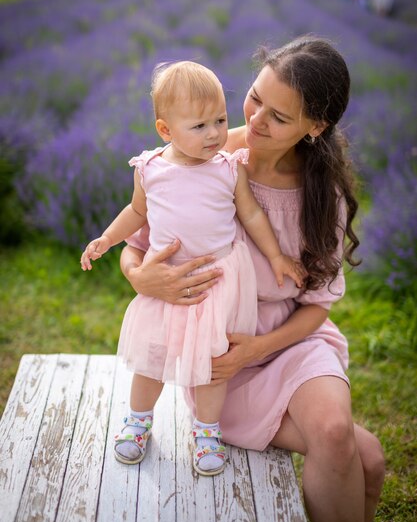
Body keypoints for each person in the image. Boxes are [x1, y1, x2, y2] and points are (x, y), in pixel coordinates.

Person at [120, 37, 385, 522]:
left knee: (337, 435)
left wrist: (258, 346)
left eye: (279, 117)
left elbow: (317, 306)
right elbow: (135, 244)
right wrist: (144, 279)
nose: (256, 120)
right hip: (219, 354)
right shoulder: (200, 152)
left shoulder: (321, 194)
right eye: (255, 97)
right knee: (362, 456)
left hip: (289, 340)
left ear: (315, 127)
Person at [80, 61, 305, 476]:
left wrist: (276, 256)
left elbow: (252, 215)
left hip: (216, 282)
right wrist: (107, 240)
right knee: (152, 358)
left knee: (211, 364)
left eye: (220, 120)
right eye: (199, 126)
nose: (216, 133)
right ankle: (138, 422)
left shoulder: (227, 167)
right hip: (166, 282)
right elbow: (136, 213)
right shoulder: (151, 169)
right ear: (166, 130)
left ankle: (206, 431)